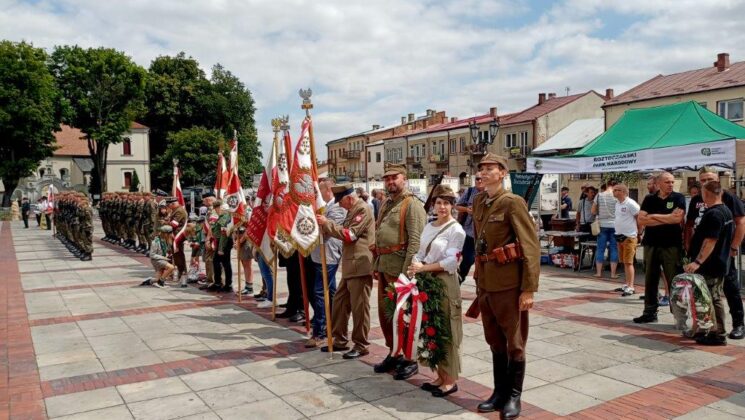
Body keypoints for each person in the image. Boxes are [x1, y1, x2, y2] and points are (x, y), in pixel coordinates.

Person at [472, 154, 540, 417]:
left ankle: (514, 397)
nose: (484, 173)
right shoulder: (479, 201)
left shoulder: (512, 202)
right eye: (481, 169)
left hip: (509, 284)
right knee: (494, 340)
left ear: (502, 173)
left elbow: (530, 247)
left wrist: (528, 289)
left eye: (490, 169)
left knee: (514, 342)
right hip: (486, 283)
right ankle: (499, 392)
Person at [406, 185, 466, 398]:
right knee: (431, 327)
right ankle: (440, 375)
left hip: (444, 283)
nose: (442, 207)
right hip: (426, 280)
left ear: (452, 206)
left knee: (446, 328)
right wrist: (415, 265)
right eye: (439, 202)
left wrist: (424, 268)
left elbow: (452, 261)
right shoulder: (429, 225)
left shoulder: (456, 229)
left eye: (446, 203)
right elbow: (420, 251)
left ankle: (450, 381)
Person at [372, 163, 427, 379]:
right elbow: (379, 236)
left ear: (404, 178)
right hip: (386, 267)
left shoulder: (411, 205)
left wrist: (407, 276)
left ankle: (409, 358)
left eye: (394, 178)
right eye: (387, 179)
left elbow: (415, 242)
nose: (390, 182)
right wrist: (376, 264)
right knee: (387, 316)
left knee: (405, 317)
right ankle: (393, 352)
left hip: (400, 272)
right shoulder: (387, 203)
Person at [316, 183, 375, 359]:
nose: (340, 205)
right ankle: (340, 339)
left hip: (360, 266)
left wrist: (328, 224)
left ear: (349, 198)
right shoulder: (352, 209)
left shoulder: (362, 209)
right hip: (351, 266)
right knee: (340, 304)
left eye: (341, 202)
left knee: (359, 308)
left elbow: (350, 235)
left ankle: (361, 344)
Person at [685, 168, 745, 340]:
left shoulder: (727, 200)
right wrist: (689, 246)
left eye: (709, 179)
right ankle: (703, 328)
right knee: (704, 293)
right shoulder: (697, 199)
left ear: (717, 180)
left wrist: (733, 247)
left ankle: (736, 324)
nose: (705, 183)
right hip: (703, 255)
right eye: (702, 180)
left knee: (728, 290)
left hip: (721, 254)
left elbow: (741, 223)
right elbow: (689, 225)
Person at [634, 172, 686, 324]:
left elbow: (677, 218)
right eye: (667, 182)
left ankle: (679, 315)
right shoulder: (650, 198)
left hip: (671, 245)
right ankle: (650, 311)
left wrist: (653, 217)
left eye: (672, 182)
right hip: (651, 244)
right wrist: (667, 218)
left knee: (674, 280)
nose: (671, 184)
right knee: (650, 278)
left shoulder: (678, 198)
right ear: (658, 184)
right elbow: (641, 219)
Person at [307, 178, 346, 348]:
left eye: (319, 190)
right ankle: (333, 323)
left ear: (328, 190)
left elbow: (329, 231)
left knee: (319, 292)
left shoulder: (336, 208)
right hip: (318, 254)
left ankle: (320, 332)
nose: (316, 194)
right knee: (330, 292)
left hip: (329, 255)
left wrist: (314, 223)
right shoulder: (324, 207)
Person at [455, 176, 484, 284]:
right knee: (467, 259)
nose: (479, 181)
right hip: (467, 231)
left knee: (476, 260)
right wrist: (467, 209)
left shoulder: (490, 193)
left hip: (483, 233)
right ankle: (457, 281)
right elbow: (457, 206)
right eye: (477, 179)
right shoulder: (470, 191)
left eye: (481, 179)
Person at [612, 184, 640, 296]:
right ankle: (627, 283)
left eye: (616, 190)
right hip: (619, 236)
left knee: (629, 262)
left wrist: (640, 231)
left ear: (624, 192)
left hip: (629, 236)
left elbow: (639, 217)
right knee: (623, 261)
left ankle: (631, 286)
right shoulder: (617, 203)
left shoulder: (631, 203)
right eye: (614, 190)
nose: (614, 192)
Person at [593, 181, 618, 279]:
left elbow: (593, 211)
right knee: (614, 249)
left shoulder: (599, 195)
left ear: (607, 185)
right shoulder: (616, 196)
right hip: (615, 225)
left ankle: (599, 273)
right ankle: (613, 274)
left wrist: (600, 212)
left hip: (602, 225)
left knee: (600, 249)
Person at [211, 200, 233, 293]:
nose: (216, 211)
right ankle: (219, 283)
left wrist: (220, 248)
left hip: (224, 242)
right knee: (221, 262)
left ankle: (226, 284)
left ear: (220, 207)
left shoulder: (225, 216)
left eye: (216, 208)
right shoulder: (223, 216)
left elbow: (223, 234)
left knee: (224, 263)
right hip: (221, 242)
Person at [167, 197, 188, 284]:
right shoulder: (176, 210)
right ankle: (180, 272)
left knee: (178, 254)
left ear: (173, 204)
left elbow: (174, 224)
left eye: (169, 205)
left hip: (178, 236)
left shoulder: (179, 211)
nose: (168, 206)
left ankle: (182, 272)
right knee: (176, 255)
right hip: (175, 235)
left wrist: (165, 222)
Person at [234, 217, 255, 296]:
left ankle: (249, 287)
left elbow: (248, 231)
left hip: (245, 242)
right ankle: (247, 285)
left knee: (247, 265)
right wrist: (235, 241)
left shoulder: (247, 213)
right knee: (244, 264)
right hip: (239, 241)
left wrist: (239, 242)